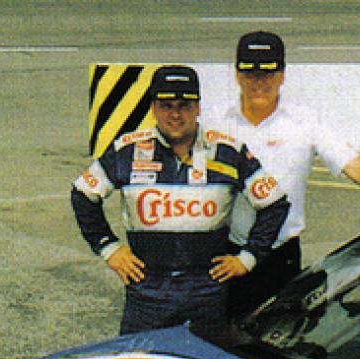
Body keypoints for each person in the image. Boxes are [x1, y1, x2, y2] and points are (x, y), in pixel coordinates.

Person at [220, 31, 360, 318]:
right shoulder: (216, 121)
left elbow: (352, 163)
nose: (258, 83)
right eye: (250, 74)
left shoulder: (304, 121)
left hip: (281, 255)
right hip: (228, 252)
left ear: (282, 76)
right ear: (237, 75)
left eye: (267, 74)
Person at [71, 65, 289, 342]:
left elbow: (275, 204)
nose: (176, 114)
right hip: (147, 290)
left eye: (185, 105)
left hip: (207, 291)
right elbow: (83, 194)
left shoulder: (227, 151)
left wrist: (248, 258)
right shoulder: (128, 150)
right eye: (166, 106)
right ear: (153, 108)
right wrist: (109, 248)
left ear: (198, 107)